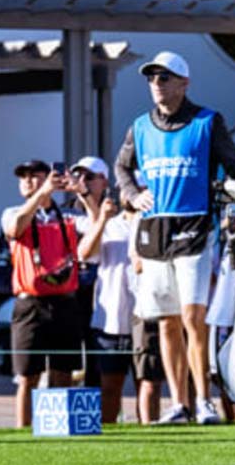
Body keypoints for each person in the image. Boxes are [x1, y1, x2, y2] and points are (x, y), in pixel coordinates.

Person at [114, 50, 235, 425]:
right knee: (166, 322)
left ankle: (203, 401)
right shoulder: (140, 126)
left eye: (164, 78)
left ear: (183, 83)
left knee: (195, 318)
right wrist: (131, 194)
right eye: (151, 78)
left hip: (194, 228)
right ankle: (179, 404)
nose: (156, 85)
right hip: (155, 231)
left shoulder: (208, 121)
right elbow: (121, 167)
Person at [2, 158, 84, 428]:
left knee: (63, 373)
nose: (27, 181)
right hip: (30, 304)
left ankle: (61, 431)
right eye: (22, 176)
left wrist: (83, 194)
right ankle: (23, 433)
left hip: (64, 302)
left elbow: (95, 229)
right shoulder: (13, 211)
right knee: (27, 376)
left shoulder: (68, 216)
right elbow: (16, 228)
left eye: (34, 176)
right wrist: (41, 194)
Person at [71, 156, 137, 426]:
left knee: (147, 382)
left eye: (89, 177)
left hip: (133, 309)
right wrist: (89, 203)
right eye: (79, 177)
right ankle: (102, 429)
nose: (82, 182)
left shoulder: (112, 215)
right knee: (100, 380)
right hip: (96, 304)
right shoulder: (78, 215)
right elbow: (85, 252)